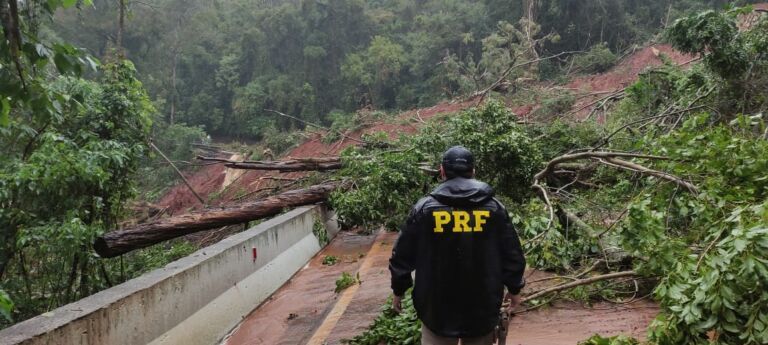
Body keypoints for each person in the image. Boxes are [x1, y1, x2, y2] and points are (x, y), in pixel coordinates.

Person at [389, 146, 526, 345]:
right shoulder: (494, 208)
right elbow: (512, 254)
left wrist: (398, 290)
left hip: (436, 308)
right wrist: (514, 290)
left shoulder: (424, 209)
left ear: (442, 171)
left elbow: (402, 256)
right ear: (473, 171)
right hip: (482, 305)